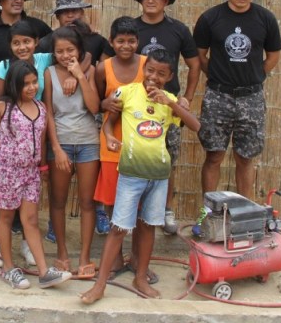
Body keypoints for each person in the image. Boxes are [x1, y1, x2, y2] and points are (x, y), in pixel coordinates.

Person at [80, 49, 200, 305]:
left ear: (169, 77)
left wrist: (171, 103)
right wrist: (109, 136)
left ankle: (141, 278)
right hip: (131, 175)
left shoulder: (169, 100)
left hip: (158, 177)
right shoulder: (127, 92)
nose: (153, 77)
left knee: (147, 226)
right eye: (150, 70)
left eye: (161, 74)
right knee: (118, 228)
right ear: (144, 69)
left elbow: (195, 126)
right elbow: (108, 121)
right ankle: (100, 286)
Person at [0, 60, 72, 290]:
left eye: (33, 82)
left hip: (31, 173)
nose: (31, 87)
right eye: (25, 84)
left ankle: (44, 272)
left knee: (30, 220)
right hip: (7, 172)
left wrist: (42, 167)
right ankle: (8, 268)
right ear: (14, 84)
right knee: (6, 217)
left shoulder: (41, 108)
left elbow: (41, 139)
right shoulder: (2, 108)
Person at [193, 0, 281, 201]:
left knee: (245, 157)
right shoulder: (210, 18)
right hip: (218, 96)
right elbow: (200, 55)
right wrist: (217, 75)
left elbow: (273, 55)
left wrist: (255, 76)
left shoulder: (266, 19)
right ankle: (209, 211)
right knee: (214, 155)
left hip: (251, 98)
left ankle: (246, 211)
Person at [133, 0, 200, 234]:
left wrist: (187, 98)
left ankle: (166, 209)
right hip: (136, 105)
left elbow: (194, 64)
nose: (151, 0)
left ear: (166, 1)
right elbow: (113, 60)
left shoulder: (178, 30)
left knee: (168, 159)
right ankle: (135, 210)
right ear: (140, 0)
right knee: (134, 157)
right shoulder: (131, 28)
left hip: (167, 106)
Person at [44, 26, 101, 279]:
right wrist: (56, 148)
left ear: (79, 50)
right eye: (60, 51)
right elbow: (48, 112)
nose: (65, 55)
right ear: (53, 53)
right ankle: (62, 252)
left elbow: (94, 107)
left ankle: (85, 257)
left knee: (88, 203)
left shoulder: (90, 71)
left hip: (89, 142)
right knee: (58, 201)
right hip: (61, 143)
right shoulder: (48, 74)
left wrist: (80, 75)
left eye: (70, 50)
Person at [94, 16, 147, 277]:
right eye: (120, 41)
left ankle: (137, 260)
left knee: (140, 207)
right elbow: (96, 101)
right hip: (112, 144)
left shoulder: (147, 65)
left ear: (138, 42)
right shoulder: (103, 68)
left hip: (143, 146)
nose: (126, 46)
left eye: (131, 41)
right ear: (111, 42)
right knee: (113, 203)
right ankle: (114, 259)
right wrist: (104, 104)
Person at [37, 0, 113, 65]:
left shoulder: (96, 40)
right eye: (65, 12)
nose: (70, 15)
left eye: (74, 11)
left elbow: (108, 65)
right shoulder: (46, 43)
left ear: (82, 13)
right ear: (57, 16)